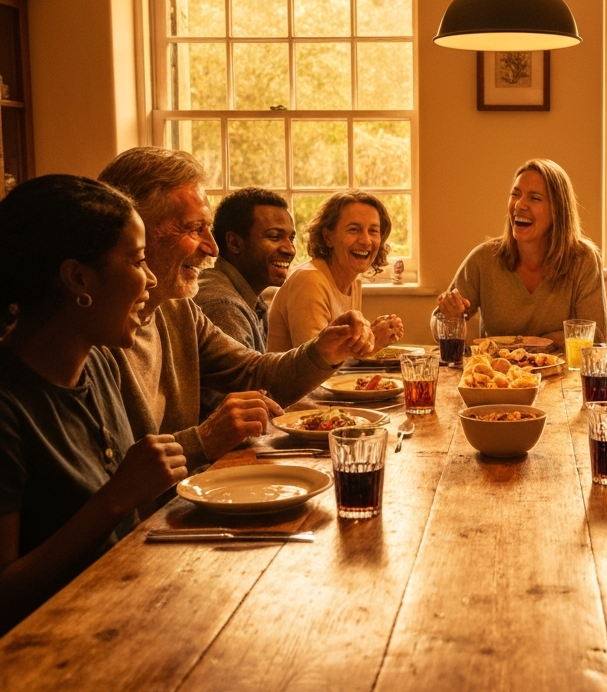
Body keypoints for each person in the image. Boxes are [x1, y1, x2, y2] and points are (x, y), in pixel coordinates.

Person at [98, 147, 375, 470]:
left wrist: (324, 349)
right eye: (192, 228)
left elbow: (252, 373)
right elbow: (113, 478)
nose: (211, 247)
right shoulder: (97, 330)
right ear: (134, 231)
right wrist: (202, 440)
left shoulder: (179, 310)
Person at [0, 176, 186, 633]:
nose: (151, 278)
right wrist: (116, 498)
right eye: (138, 261)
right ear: (78, 278)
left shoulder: (100, 363)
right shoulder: (7, 405)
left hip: (126, 613)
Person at [436, 158, 607, 344]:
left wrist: (541, 343)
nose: (519, 205)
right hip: (498, 372)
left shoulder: (583, 259)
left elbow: (596, 337)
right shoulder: (483, 258)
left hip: (563, 372)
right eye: (515, 194)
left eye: (534, 198)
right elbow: (438, 325)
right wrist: (450, 316)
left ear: (558, 211)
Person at [268, 190, 404, 354]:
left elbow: (340, 360)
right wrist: (370, 342)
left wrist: (370, 340)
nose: (366, 240)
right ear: (328, 238)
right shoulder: (309, 281)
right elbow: (314, 366)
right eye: (354, 229)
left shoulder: (353, 282)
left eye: (373, 231)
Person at [196, 187, 296, 353]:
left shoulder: (249, 297)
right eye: (274, 237)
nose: (290, 249)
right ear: (234, 243)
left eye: (291, 238)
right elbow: (248, 379)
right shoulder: (224, 307)